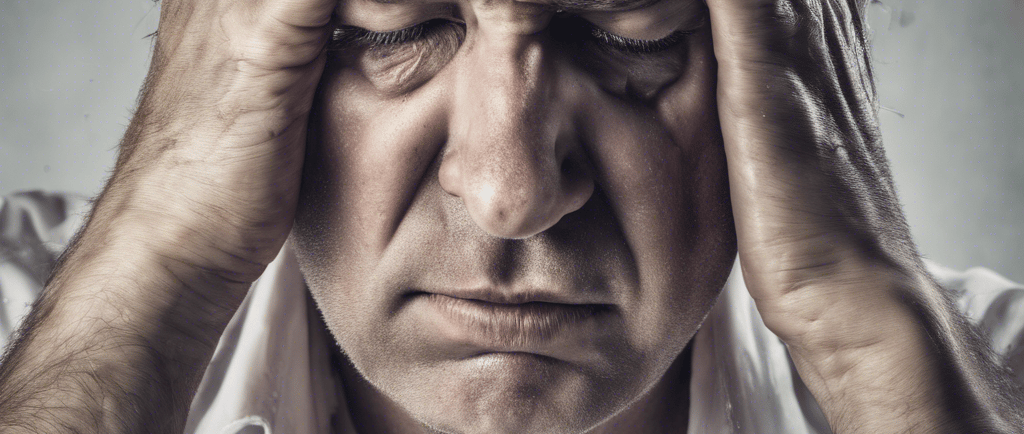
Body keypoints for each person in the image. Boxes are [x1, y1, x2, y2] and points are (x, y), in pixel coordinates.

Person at [0, 0, 1021, 433]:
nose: (510, 190)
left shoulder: (988, 380)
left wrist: (883, 361)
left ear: (798, 65)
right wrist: (155, 268)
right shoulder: (23, 333)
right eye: (397, 26)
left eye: (627, 35)